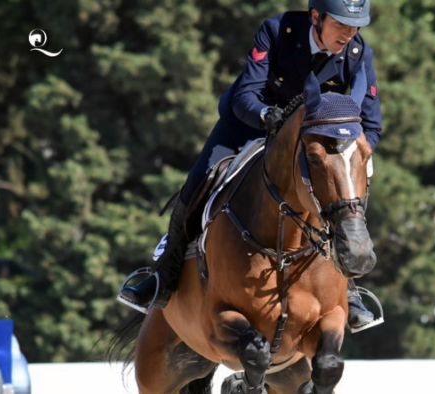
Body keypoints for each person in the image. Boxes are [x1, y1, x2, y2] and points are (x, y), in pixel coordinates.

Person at [119, 0, 383, 331]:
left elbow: (371, 126)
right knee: (199, 182)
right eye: (341, 23)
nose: (349, 33)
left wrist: (353, 156)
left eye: (355, 25)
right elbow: (246, 94)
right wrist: (264, 116)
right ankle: (163, 274)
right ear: (316, 16)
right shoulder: (277, 31)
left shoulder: (359, 54)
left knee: (336, 193)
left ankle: (349, 288)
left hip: (310, 143)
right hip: (248, 124)